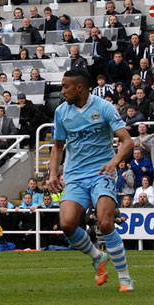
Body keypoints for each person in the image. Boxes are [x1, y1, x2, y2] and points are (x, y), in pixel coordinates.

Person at [48, 69, 134, 292]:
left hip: (101, 173)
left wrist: (114, 161)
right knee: (67, 224)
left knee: (105, 223)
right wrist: (53, 174)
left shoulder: (104, 107)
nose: (62, 91)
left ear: (80, 87)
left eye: (66, 86)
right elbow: (57, 147)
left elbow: (127, 142)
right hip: (75, 176)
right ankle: (97, 257)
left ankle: (125, 278)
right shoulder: (61, 112)